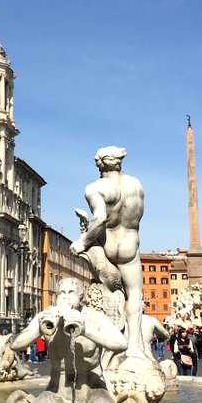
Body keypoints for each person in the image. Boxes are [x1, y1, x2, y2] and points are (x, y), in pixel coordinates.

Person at [70, 146, 147, 358]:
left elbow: (101, 219)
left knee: (104, 293)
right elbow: (137, 216)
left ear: (101, 163)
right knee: (134, 295)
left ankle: (105, 347)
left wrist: (82, 241)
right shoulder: (136, 185)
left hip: (108, 244)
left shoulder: (95, 188)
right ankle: (134, 347)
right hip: (130, 244)